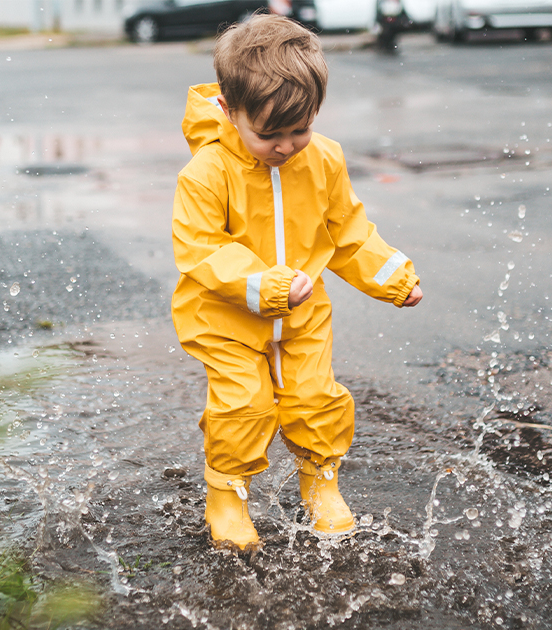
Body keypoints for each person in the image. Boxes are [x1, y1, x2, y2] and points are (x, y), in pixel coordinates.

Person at [171, 13, 422, 551]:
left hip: (304, 316)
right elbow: (201, 249)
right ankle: (228, 495)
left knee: (315, 398)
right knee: (246, 405)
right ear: (231, 110)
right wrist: (264, 284)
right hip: (226, 318)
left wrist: (392, 276)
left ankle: (321, 485)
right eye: (270, 134)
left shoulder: (324, 158)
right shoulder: (207, 172)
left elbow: (347, 229)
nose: (287, 146)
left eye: (300, 129)